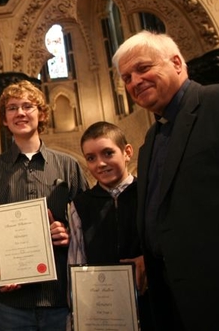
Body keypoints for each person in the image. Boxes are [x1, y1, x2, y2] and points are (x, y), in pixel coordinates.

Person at [112, 30, 219, 330]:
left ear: (176, 62)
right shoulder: (152, 137)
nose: (135, 82)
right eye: (126, 78)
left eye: (143, 68)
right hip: (176, 300)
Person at [0, 79, 89, 331]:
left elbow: (89, 221)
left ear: (41, 114)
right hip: (11, 300)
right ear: (5, 120)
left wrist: (70, 233)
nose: (20, 112)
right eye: (12, 108)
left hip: (59, 295)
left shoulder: (67, 165)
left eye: (27, 106)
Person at [67, 121, 152, 330]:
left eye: (108, 153)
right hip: (103, 310)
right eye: (91, 158)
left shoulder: (149, 192)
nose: (100, 163)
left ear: (127, 152)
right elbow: (77, 259)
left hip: (151, 304)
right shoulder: (80, 205)